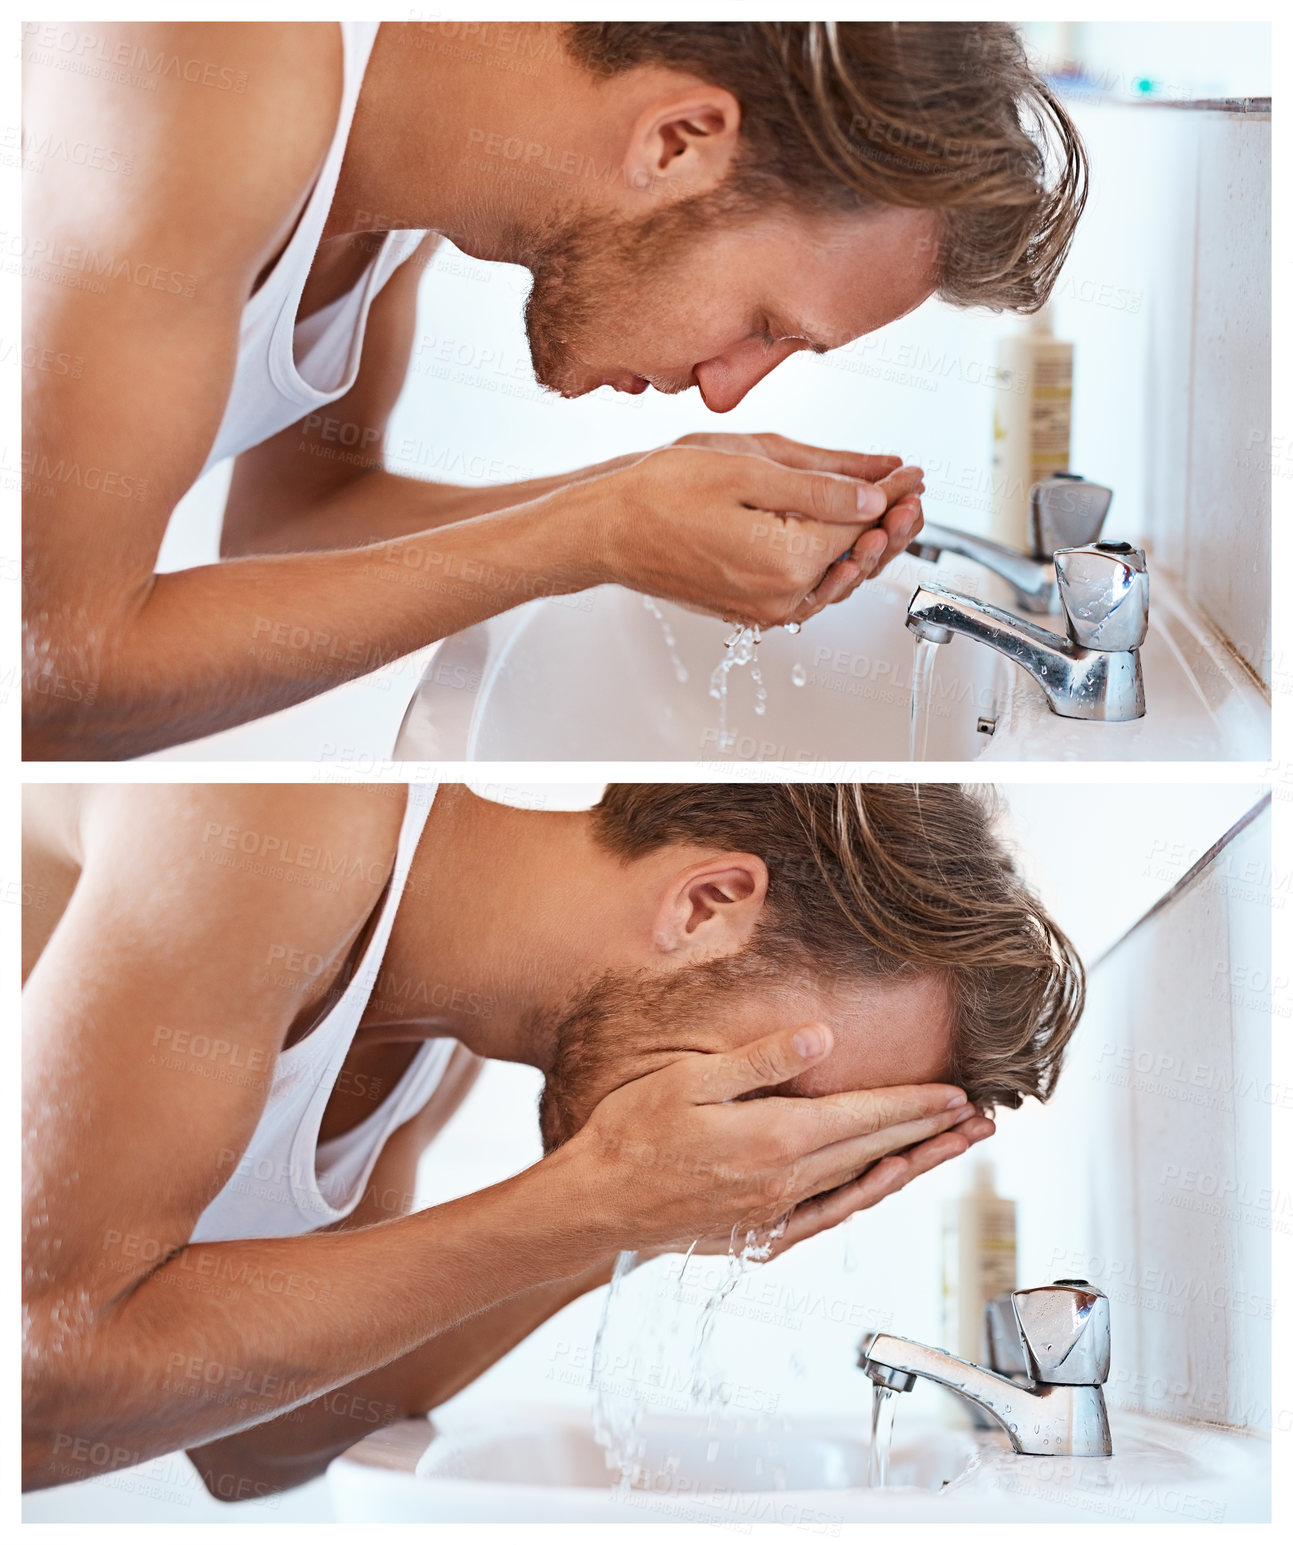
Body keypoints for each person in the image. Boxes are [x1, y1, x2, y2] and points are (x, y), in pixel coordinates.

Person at [22, 20, 1085, 757]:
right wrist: (592, 536)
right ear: (677, 142)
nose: (727, 394)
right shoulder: (213, 69)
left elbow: (296, 525)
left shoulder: (399, 187)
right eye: (767, 327)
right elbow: (45, 684)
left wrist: (639, 497)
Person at [22, 781, 1082, 1496]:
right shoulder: (287, 818)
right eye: (789, 1094)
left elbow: (253, 1442)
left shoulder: (431, 1045)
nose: (765, 1157)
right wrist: (587, 1204)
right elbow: (33, 1394)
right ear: (709, 903)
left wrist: (617, 1226)